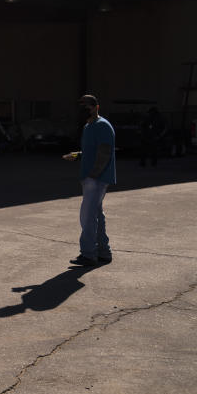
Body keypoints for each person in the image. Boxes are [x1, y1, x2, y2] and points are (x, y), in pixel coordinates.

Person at [63, 94, 116, 267]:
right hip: (91, 178)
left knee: (87, 216)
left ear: (96, 107)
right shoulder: (88, 126)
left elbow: (105, 153)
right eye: (82, 107)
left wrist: (93, 176)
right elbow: (92, 151)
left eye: (87, 107)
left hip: (97, 179)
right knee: (96, 216)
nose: (84, 110)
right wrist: (77, 155)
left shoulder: (102, 126)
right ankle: (103, 252)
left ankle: (88, 254)